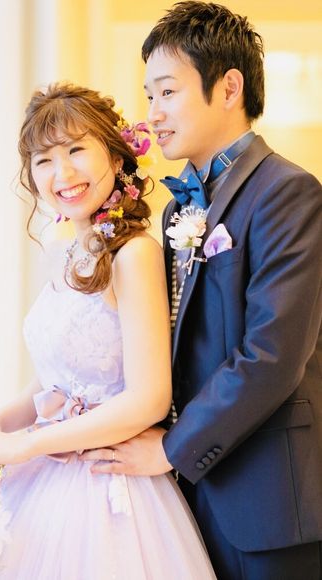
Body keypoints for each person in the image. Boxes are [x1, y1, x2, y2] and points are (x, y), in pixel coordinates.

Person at [81, 3, 322, 579]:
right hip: (186, 499)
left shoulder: (288, 193)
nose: (153, 114)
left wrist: (172, 448)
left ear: (229, 87)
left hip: (266, 500)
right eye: (149, 96)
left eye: (167, 92)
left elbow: (271, 356)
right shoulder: (178, 211)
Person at [0, 82, 215, 579]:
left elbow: (148, 399)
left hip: (108, 489)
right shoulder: (66, 253)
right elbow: (54, 380)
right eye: (44, 160)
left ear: (116, 159)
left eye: (76, 150)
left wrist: (30, 445)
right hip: (50, 479)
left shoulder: (133, 254)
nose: (63, 173)